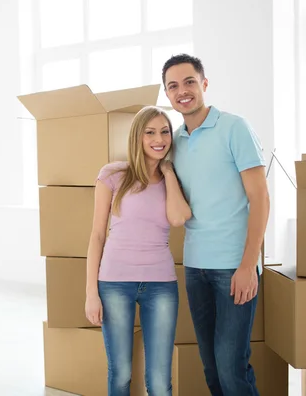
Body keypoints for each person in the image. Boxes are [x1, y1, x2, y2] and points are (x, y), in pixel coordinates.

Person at [161, 53, 270, 396]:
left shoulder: (234, 128)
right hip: (196, 268)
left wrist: (248, 265)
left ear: (204, 84)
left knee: (231, 367)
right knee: (211, 367)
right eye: (173, 86)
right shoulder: (174, 141)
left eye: (189, 82)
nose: (183, 91)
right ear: (167, 94)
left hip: (233, 267)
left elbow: (261, 200)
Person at [84, 105, 192, 396]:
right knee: (120, 374)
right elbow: (96, 236)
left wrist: (168, 172)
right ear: (137, 137)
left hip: (161, 284)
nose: (159, 139)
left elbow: (179, 218)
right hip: (114, 282)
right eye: (150, 132)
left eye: (165, 132)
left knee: (158, 380)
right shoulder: (113, 175)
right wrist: (91, 294)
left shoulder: (173, 180)